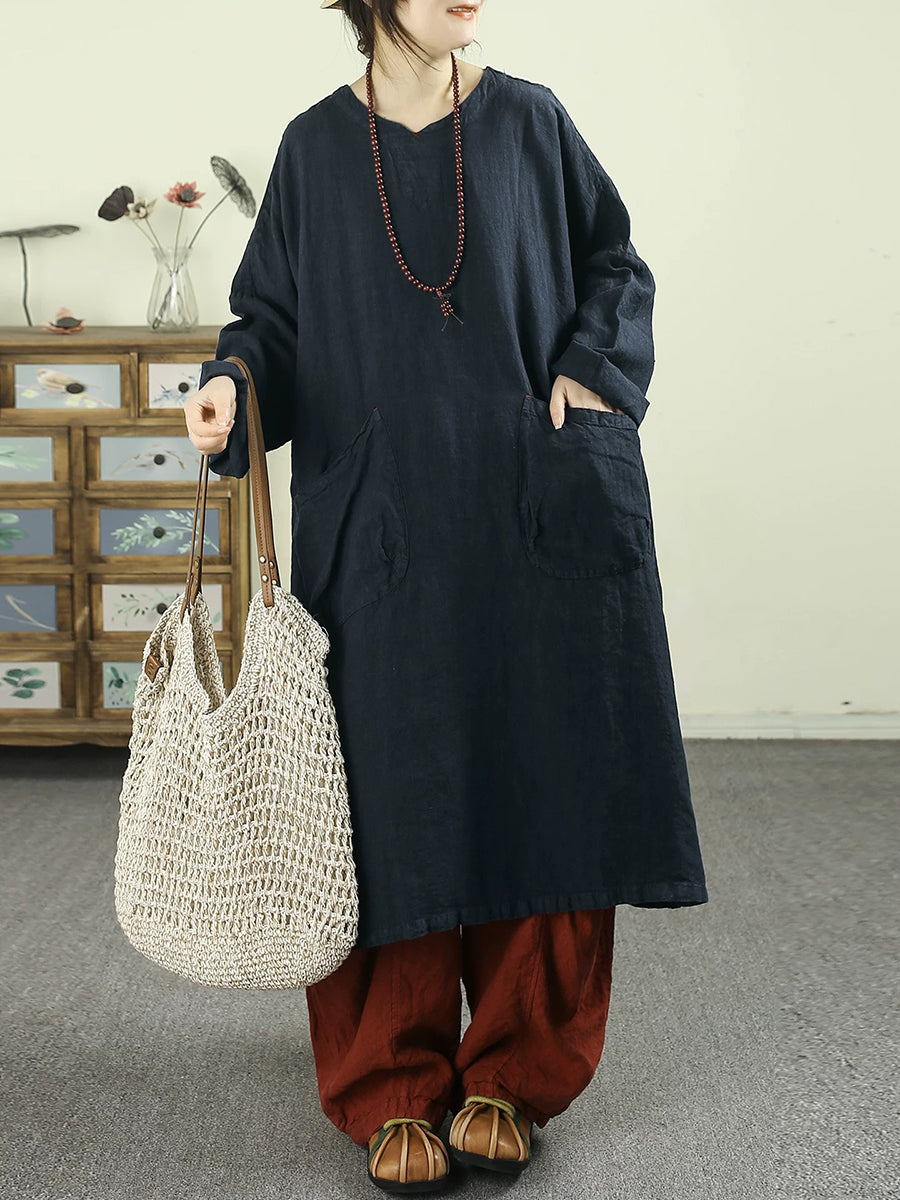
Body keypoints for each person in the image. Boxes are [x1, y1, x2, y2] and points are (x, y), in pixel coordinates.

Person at [185, 0, 709, 1192]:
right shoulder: (315, 148)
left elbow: (615, 263)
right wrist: (232, 386)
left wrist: (592, 370)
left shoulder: (533, 123)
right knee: (388, 792)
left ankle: (512, 1074)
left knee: (545, 780)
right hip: (383, 529)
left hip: (533, 511)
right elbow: (270, 322)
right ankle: (391, 1082)